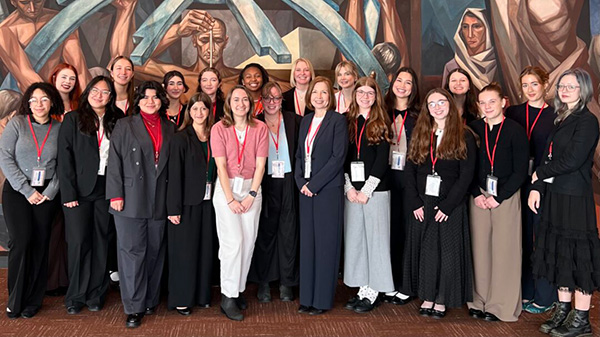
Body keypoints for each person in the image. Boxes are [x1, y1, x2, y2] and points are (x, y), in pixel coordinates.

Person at [529, 68, 600, 336]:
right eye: (561, 86)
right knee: (560, 255)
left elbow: (572, 160)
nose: (565, 90)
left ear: (583, 90)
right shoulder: (561, 118)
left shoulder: (587, 121)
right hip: (555, 195)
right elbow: (548, 157)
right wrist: (537, 185)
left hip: (575, 198)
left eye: (571, 86)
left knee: (576, 256)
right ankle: (563, 311)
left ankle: (581, 320)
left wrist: (539, 174)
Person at [106, 81, 175, 328]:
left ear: (161, 101)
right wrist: (116, 195)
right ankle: (133, 307)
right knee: (132, 253)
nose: (150, 101)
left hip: (159, 199)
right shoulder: (125, 125)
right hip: (130, 199)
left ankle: (149, 300)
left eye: (155, 97)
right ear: (138, 101)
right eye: (145, 97)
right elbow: (114, 162)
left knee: (155, 252)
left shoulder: (169, 127)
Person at [403, 88, 476, 318]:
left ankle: (442, 299)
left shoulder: (463, 135)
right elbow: (410, 169)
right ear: (427, 108)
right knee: (427, 252)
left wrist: (447, 206)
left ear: (450, 105)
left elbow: (466, 176)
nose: (437, 107)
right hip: (422, 202)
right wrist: (415, 202)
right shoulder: (421, 132)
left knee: (447, 253)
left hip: (450, 204)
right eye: (431, 103)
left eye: (441, 102)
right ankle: (427, 295)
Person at [57, 76, 124, 314]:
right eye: (95, 91)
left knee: (101, 241)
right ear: (87, 92)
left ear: (111, 97)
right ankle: (75, 296)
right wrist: (68, 193)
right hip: (78, 191)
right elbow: (64, 160)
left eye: (105, 92)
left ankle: (97, 293)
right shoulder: (73, 119)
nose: (99, 95)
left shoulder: (118, 120)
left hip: (107, 188)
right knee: (78, 242)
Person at [0, 82, 63, 319]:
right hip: (17, 192)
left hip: (46, 193)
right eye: (34, 100)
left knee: (40, 244)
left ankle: (33, 301)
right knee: (21, 241)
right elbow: (5, 158)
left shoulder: (59, 128)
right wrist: (27, 190)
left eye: (44, 99)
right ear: (27, 103)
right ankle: (16, 299)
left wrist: (51, 191)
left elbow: (63, 165)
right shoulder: (17, 124)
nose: (39, 104)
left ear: (52, 102)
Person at [468, 83, 528, 322]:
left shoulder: (515, 130)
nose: (487, 106)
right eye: (482, 102)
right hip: (479, 196)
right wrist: (477, 194)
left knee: (505, 251)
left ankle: (500, 305)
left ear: (503, 102)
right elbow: (466, 167)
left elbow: (520, 170)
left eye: (492, 101)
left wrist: (499, 197)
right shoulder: (473, 129)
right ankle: (478, 300)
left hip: (506, 196)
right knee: (479, 250)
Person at [210, 85, 268, 321]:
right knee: (232, 243)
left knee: (247, 243)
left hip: (252, 190)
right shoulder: (219, 128)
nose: (241, 103)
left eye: (245, 99)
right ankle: (227, 296)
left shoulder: (260, 128)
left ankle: (237, 289)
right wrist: (231, 199)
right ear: (229, 103)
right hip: (227, 190)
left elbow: (261, 164)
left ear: (250, 104)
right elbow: (221, 167)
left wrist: (252, 194)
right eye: (236, 99)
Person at [505, 66, 557, 314]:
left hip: (543, 184)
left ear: (545, 84)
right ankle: (525, 289)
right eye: (525, 85)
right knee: (522, 237)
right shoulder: (513, 112)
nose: (529, 89)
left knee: (542, 238)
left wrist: (539, 181)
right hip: (518, 182)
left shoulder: (556, 116)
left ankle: (546, 294)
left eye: (534, 84)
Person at [295, 76, 348, 315]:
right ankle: (306, 297)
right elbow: (299, 155)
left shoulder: (337, 121)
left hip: (327, 191)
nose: (318, 96)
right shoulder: (305, 121)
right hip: (305, 190)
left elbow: (338, 158)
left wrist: (314, 184)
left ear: (331, 97)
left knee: (325, 245)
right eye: (315, 92)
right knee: (308, 245)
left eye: (324, 92)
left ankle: (322, 300)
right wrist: (300, 182)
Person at [342, 77, 393, 313]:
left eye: (369, 93)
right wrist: (349, 187)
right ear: (354, 95)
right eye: (360, 92)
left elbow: (383, 161)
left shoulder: (382, 121)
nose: (364, 96)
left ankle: (375, 291)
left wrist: (366, 190)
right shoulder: (346, 121)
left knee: (376, 242)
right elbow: (342, 157)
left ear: (376, 96)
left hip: (376, 192)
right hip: (352, 191)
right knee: (357, 241)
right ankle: (363, 288)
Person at [249, 82, 302, 303]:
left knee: (289, 232)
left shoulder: (294, 121)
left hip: (289, 181)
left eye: (276, 98)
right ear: (261, 101)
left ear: (282, 100)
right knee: (265, 232)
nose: (272, 102)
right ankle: (264, 281)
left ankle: (286, 282)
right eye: (267, 98)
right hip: (265, 181)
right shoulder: (255, 124)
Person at [166, 92, 216, 315]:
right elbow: (174, 175)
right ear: (189, 112)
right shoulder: (180, 138)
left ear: (209, 111)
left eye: (203, 109)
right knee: (184, 252)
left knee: (206, 249)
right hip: (186, 203)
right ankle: (182, 298)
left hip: (210, 202)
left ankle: (202, 294)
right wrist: (173, 208)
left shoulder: (215, 135)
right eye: (194, 109)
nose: (199, 113)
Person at [382, 67, 420, 305]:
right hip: (384, 180)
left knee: (407, 233)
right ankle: (388, 280)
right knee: (387, 231)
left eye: (408, 82)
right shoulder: (382, 112)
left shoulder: (419, 117)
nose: (403, 85)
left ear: (413, 88)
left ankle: (406, 283)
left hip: (409, 182)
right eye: (399, 80)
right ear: (392, 82)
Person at [0, 0, 91, 92]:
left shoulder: (62, 21)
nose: (32, 8)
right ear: (13, 2)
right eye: (24, 2)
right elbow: (25, 76)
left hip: (60, 89)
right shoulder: (4, 31)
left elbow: (78, 68)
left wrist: (85, 100)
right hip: (28, 95)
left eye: (37, 1)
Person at [442, 8, 498, 90]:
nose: (470, 34)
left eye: (477, 26)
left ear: (487, 29)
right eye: (465, 27)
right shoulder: (452, 66)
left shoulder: (501, 64)